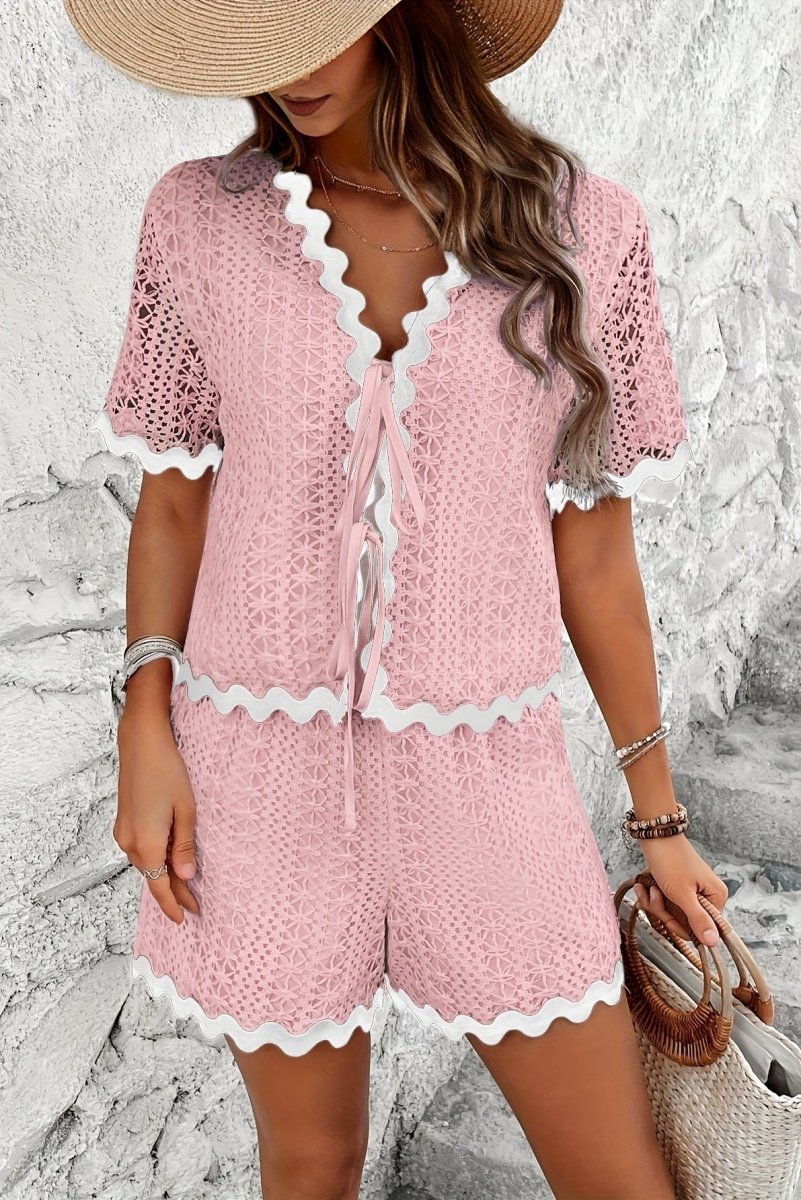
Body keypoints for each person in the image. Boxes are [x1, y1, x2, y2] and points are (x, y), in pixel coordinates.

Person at [64, 1, 728, 1196]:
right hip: (258, 779)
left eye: (316, 22)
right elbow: (173, 503)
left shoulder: (584, 231)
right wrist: (143, 727)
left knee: (618, 1179)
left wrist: (659, 819)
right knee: (311, 1164)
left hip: (490, 774)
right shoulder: (198, 221)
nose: (287, 70)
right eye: (261, 36)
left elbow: (595, 556)